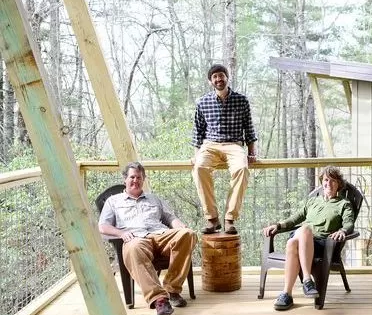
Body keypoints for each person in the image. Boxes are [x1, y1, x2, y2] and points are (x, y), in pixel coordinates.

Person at [98, 162, 197, 315]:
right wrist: (121, 234)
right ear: (125, 179)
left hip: (161, 235)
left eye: (139, 177)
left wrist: (181, 226)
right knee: (133, 247)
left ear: (143, 179)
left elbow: (170, 217)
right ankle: (159, 300)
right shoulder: (113, 201)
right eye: (132, 177)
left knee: (188, 234)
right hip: (135, 238)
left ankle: (172, 289)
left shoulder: (154, 198)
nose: (135, 180)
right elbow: (103, 226)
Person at [262, 166, 355, 311]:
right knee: (302, 231)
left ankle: (287, 294)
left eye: (333, 181)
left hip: (321, 244)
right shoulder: (312, 201)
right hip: (304, 238)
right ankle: (307, 281)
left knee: (292, 242)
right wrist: (278, 225)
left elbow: (349, 222)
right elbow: (295, 218)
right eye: (326, 180)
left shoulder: (344, 204)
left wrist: (343, 230)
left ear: (339, 185)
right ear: (321, 182)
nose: (328, 184)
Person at [191, 64, 257, 235]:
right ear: (210, 81)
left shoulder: (241, 100)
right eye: (215, 77)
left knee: (242, 169)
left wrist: (251, 152)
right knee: (199, 168)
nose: (219, 79)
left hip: (234, 144)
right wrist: (196, 155)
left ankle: (230, 218)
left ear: (227, 78)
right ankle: (212, 219)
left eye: (221, 76)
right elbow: (198, 131)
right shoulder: (202, 102)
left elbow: (248, 128)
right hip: (210, 144)